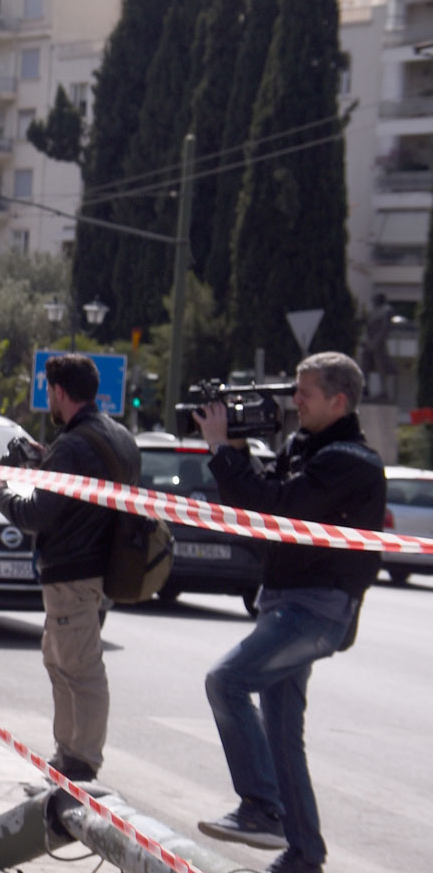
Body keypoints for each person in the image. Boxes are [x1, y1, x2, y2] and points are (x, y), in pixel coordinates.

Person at [193, 352, 384, 873]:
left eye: (305, 393)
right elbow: (257, 501)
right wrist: (232, 446)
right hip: (283, 601)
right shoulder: (306, 448)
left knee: (226, 681)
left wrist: (221, 451)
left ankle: (261, 807)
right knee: (281, 734)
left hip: (316, 610)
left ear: (338, 400)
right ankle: (304, 855)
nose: (294, 401)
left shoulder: (351, 461)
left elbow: (278, 506)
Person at [0, 352, 138, 784]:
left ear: (58, 392)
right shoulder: (115, 435)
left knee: (80, 667)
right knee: (59, 659)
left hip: (75, 570)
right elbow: (83, 492)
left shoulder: (74, 446)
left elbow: (39, 514)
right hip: (98, 566)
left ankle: (81, 762)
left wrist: (1, 492)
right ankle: (67, 755)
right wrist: (44, 459)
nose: (48, 399)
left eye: (49, 391)